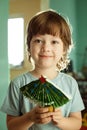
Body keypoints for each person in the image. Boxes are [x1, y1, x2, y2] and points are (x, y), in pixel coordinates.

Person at [0, 9, 85, 130]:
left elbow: (77, 123)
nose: (46, 48)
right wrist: (29, 117)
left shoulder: (71, 83)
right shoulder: (17, 84)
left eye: (54, 42)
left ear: (64, 49)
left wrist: (61, 121)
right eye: (38, 41)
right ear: (29, 46)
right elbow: (11, 126)